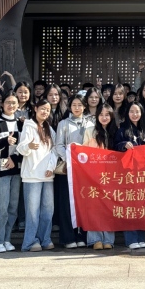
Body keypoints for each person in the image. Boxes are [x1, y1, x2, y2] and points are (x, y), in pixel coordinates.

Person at [17, 99, 58, 252]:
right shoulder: (28, 125)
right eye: (42, 109)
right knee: (32, 212)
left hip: (47, 175)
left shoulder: (49, 128)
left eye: (47, 109)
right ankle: (30, 241)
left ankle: (44, 239)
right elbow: (21, 148)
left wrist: (51, 167)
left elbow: (54, 150)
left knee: (48, 210)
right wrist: (29, 146)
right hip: (32, 175)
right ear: (35, 109)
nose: (45, 112)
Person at [53, 94, 93, 248]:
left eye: (80, 105)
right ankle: (68, 238)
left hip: (84, 170)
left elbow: (92, 145)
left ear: (85, 106)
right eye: (74, 105)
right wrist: (70, 159)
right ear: (70, 107)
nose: (77, 108)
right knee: (66, 204)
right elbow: (58, 145)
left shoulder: (90, 124)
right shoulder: (63, 123)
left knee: (83, 204)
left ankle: (82, 236)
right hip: (67, 169)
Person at [0, 91, 22, 253]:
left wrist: (14, 158)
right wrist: (5, 141)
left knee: (12, 207)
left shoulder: (21, 123)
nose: (11, 105)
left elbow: (24, 146)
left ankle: (7, 239)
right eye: (8, 102)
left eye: (14, 103)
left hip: (16, 167)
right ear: (2, 104)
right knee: (1, 206)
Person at [81, 104, 118, 250]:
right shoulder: (90, 131)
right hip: (93, 175)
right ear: (97, 116)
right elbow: (83, 153)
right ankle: (95, 239)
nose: (104, 117)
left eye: (107, 114)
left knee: (109, 207)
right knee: (94, 207)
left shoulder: (116, 131)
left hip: (112, 176)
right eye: (101, 114)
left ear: (111, 116)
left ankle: (108, 239)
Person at [115, 102, 145, 249]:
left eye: (137, 111)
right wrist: (123, 144)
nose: (135, 114)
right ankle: (131, 239)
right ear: (127, 113)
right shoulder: (121, 130)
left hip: (142, 174)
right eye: (132, 111)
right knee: (129, 206)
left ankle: (141, 237)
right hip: (127, 174)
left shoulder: (143, 130)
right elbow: (114, 147)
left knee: (141, 206)